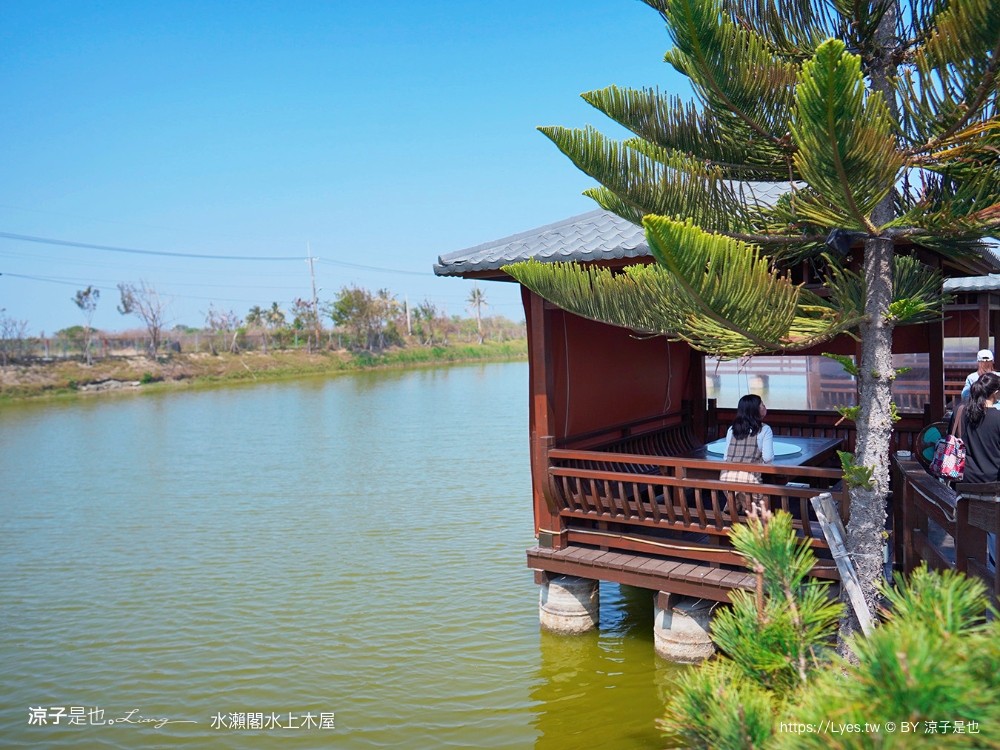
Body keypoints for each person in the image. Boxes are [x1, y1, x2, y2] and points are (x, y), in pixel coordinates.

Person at [720, 394, 774, 514]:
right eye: (762, 405)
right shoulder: (765, 430)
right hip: (751, 483)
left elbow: (726, 457)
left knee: (737, 492)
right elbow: (768, 458)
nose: (765, 407)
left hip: (727, 483)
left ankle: (737, 508)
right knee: (763, 495)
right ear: (755, 410)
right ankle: (749, 511)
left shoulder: (731, 429)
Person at [956, 371, 1000, 483]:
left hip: (963, 479)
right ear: (995, 393)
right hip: (993, 482)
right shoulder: (997, 417)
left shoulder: (960, 411)